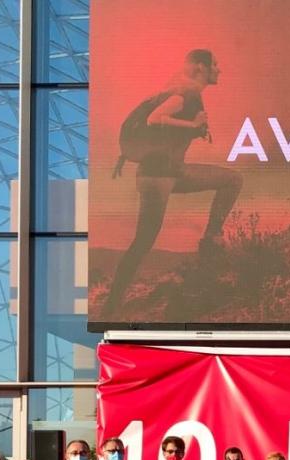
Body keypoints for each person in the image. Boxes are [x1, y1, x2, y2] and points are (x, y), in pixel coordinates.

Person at [103, 47, 242, 314]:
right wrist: (193, 126)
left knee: (233, 179)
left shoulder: (179, 90)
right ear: (201, 67)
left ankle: (212, 236)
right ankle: (111, 306)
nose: (219, 70)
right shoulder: (185, 93)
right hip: (158, 177)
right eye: (215, 64)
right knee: (143, 241)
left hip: (172, 173)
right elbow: (153, 119)